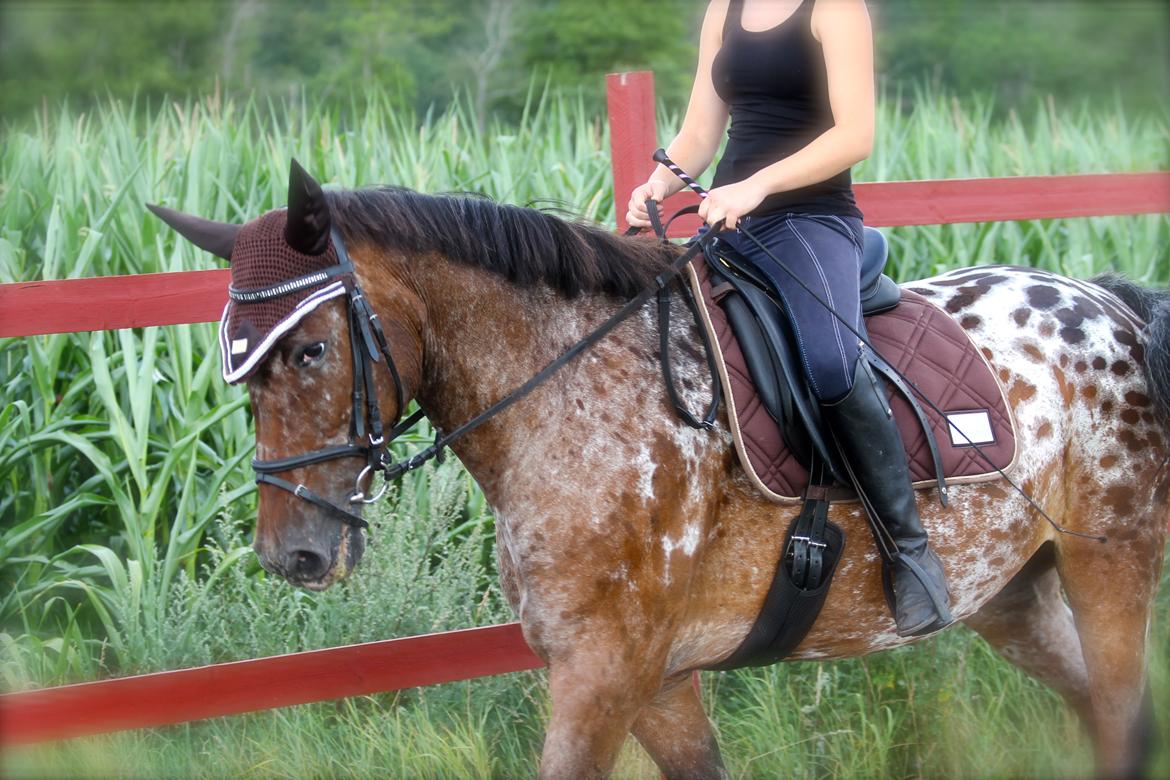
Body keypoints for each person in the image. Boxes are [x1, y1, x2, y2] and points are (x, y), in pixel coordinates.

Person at [626, 0, 952, 637]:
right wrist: (660, 184)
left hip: (809, 220)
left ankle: (910, 553)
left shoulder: (834, 8)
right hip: (727, 220)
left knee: (832, 364)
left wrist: (757, 187)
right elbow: (699, 132)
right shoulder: (726, 6)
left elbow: (855, 134)